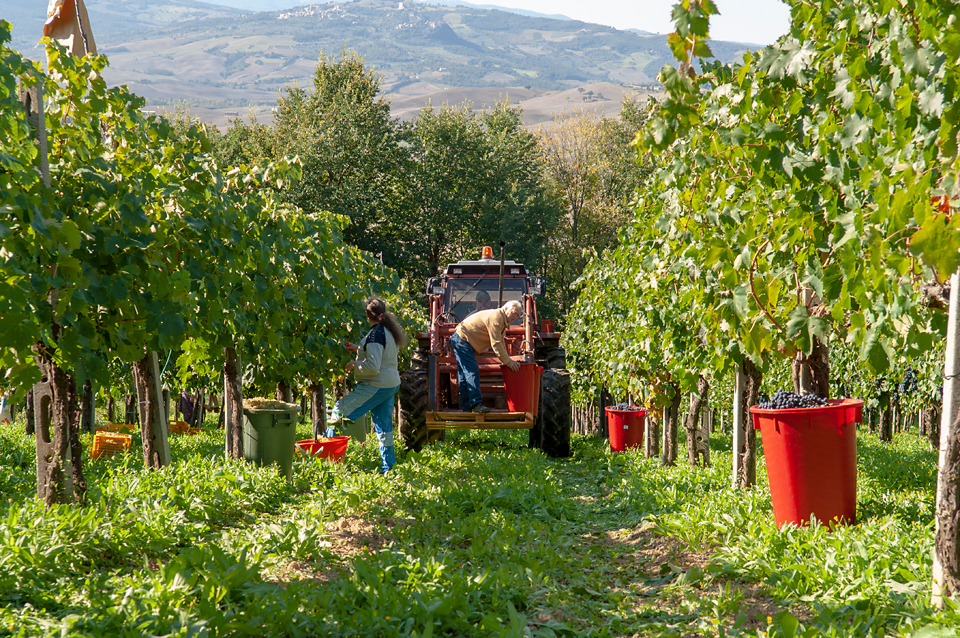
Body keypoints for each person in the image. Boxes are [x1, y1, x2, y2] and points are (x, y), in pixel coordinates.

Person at [327, 297, 407, 473]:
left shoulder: (374, 335)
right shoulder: (387, 331)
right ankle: (389, 468)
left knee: (339, 411)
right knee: (384, 426)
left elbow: (373, 366)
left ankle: (329, 461)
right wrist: (359, 348)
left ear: (367, 314)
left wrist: (353, 364)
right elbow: (382, 354)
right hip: (390, 384)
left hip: (377, 384)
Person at [450, 300, 522, 413]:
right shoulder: (496, 317)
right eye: (514, 313)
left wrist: (508, 359)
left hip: (461, 339)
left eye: (517, 315)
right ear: (506, 308)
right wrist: (509, 362)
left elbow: (501, 342)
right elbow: (496, 344)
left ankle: (467, 407)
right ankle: (476, 404)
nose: (515, 317)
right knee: (471, 371)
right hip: (462, 339)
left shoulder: (501, 321)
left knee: (464, 375)